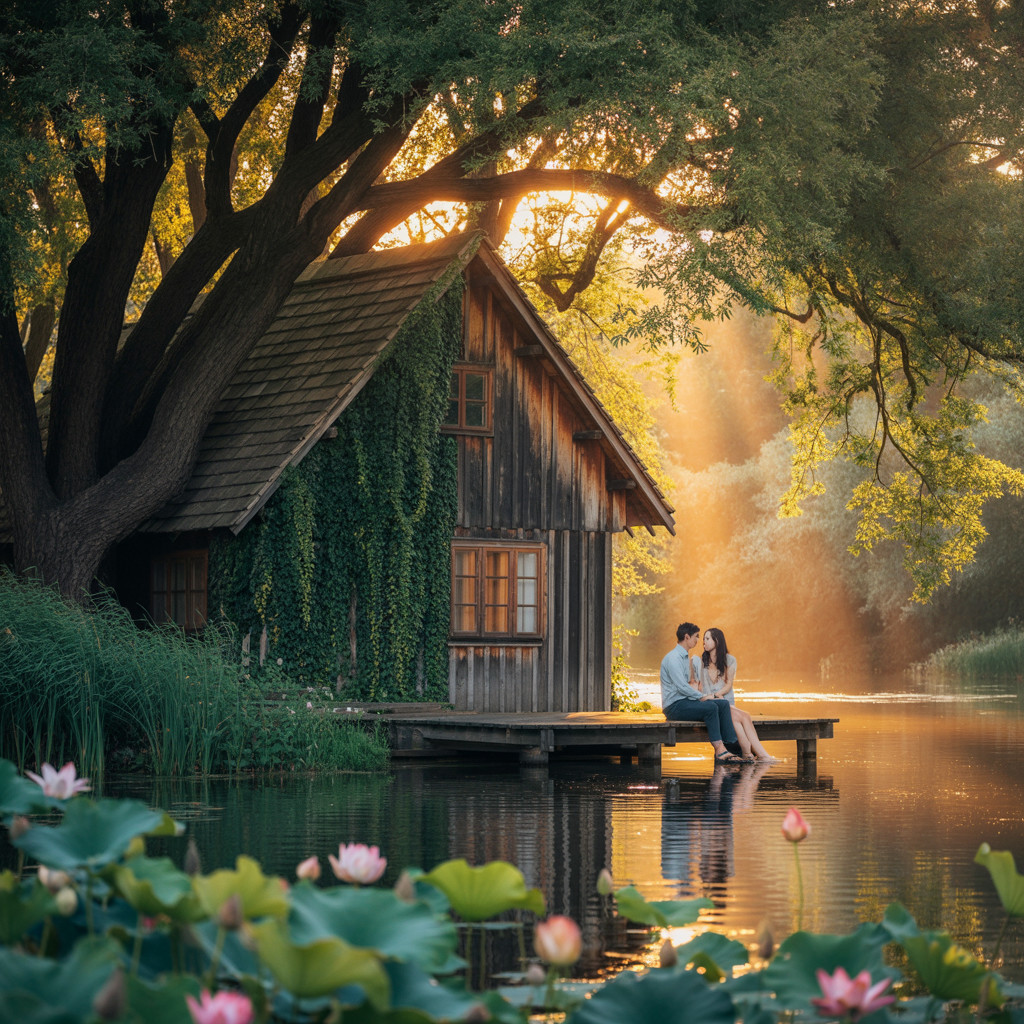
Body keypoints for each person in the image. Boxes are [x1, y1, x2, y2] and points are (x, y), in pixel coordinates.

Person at [660, 622, 745, 764]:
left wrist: (699, 691)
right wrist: (703, 697)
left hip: (685, 702)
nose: (698, 640)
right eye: (696, 636)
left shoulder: (685, 657)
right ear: (687, 637)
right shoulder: (673, 658)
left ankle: (733, 748)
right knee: (711, 707)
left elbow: (689, 684)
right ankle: (720, 750)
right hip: (674, 707)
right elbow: (682, 687)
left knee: (723, 703)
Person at [697, 627, 777, 763]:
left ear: (717, 641)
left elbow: (728, 685)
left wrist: (718, 694)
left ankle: (753, 754)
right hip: (712, 704)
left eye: (707, 638)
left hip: (726, 701)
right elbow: (701, 688)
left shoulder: (730, 660)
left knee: (743, 716)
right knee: (741, 717)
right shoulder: (701, 662)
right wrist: (714, 697)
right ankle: (756, 755)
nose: (704, 641)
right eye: (703, 639)